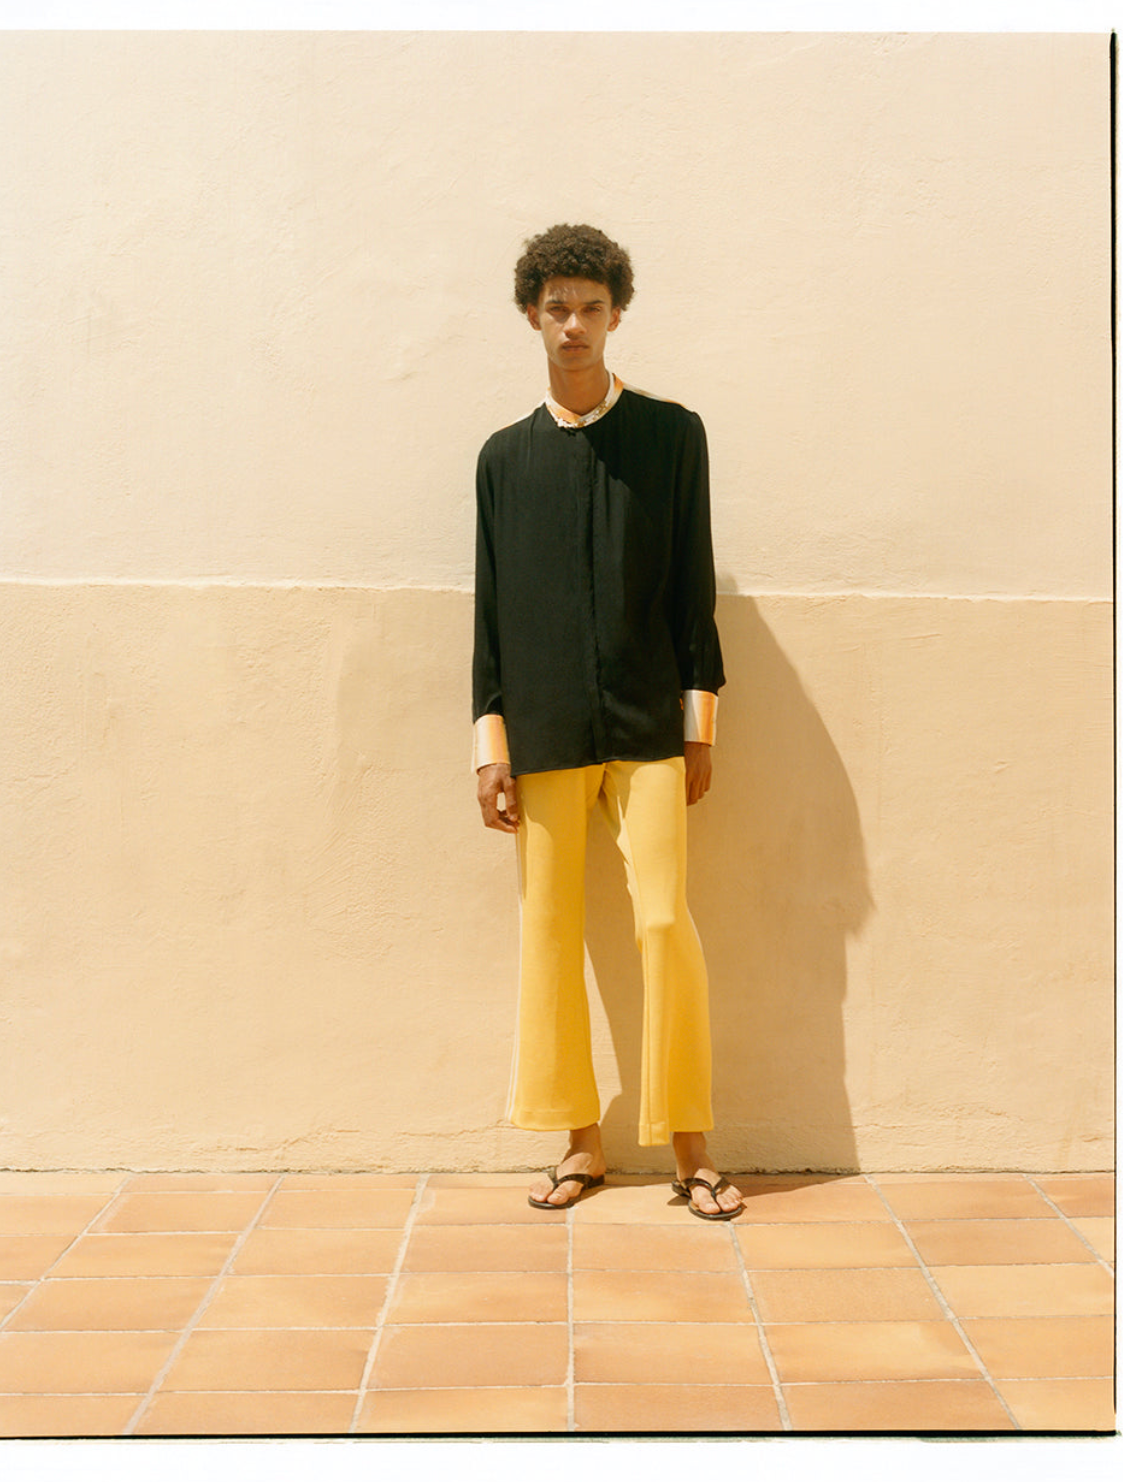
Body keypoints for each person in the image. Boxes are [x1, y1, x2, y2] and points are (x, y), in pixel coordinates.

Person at [472, 223, 743, 1220]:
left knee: (662, 920)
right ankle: (578, 1142)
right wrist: (490, 745)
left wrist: (698, 721)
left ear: (616, 314)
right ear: (531, 317)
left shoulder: (671, 436)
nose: (574, 325)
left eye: (591, 307)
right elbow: (490, 612)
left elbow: (692, 583)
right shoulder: (503, 460)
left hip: (646, 723)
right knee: (549, 931)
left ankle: (690, 1148)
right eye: (557, 308)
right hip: (543, 729)